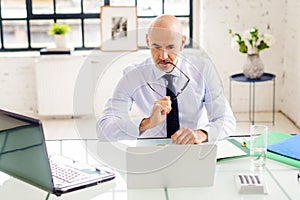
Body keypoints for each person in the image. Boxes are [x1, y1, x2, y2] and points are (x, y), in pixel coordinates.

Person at [97, 15, 236, 144]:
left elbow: (227, 121)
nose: (163, 56)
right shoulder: (132, 75)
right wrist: (147, 122)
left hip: (194, 147)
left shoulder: (203, 70)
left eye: (170, 47)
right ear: (147, 41)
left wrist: (201, 134)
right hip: (150, 150)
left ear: (182, 43)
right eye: (156, 47)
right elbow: (103, 129)